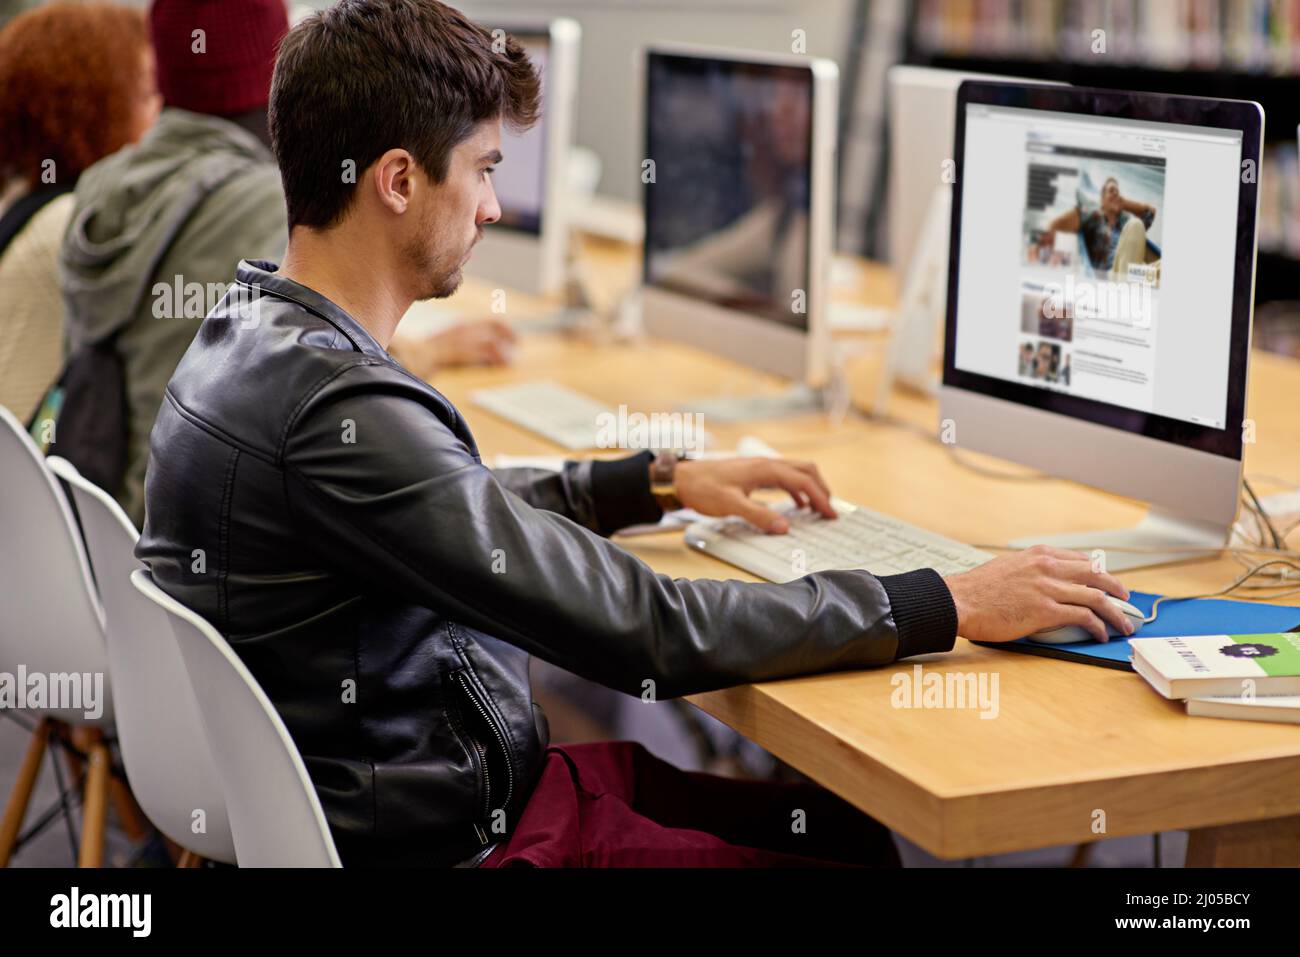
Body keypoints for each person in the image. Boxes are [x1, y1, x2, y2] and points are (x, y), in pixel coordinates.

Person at [137, 0, 1136, 868]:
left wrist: (651, 481)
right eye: (482, 170)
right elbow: (645, 630)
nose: (491, 206)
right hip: (443, 838)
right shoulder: (340, 407)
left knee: (829, 829)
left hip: (376, 803)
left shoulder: (250, 333)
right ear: (396, 179)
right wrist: (944, 600)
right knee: (842, 851)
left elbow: (450, 512)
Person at [58, 0, 515, 526]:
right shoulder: (253, 199)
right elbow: (299, 386)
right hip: (184, 523)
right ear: (265, 75)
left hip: (102, 525)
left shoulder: (105, 182)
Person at [0, 2, 159, 424]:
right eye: (144, 93)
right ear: (92, 105)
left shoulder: (27, 202)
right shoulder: (74, 224)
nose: (160, 113)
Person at [1039, 175, 1158, 283]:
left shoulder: (1124, 223)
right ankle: (1144, 278)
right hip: (1111, 278)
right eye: (1111, 191)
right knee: (1136, 224)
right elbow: (1056, 225)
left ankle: (1147, 276)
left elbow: (1150, 212)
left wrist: (1123, 203)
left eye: (1118, 192)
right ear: (1102, 199)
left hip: (1133, 273)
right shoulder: (1093, 217)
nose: (1116, 194)